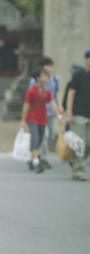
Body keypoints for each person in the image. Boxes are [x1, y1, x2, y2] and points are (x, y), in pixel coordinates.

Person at [21, 67, 63, 173]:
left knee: (40, 139)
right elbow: (26, 105)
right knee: (35, 138)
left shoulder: (46, 91)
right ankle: (36, 162)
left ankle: (31, 158)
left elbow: (52, 104)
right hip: (32, 118)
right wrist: (23, 120)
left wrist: (58, 116)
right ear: (38, 78)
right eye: (43, 75)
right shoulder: (31, 91)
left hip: (42, 119)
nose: (46, 77)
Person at [28, 57, 60, 167]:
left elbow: (55, 94)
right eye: (46, 66)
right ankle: (40, 157)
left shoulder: (55, 79)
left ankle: (35, 155)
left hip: (50, 112)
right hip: (39, 112)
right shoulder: (34, 81)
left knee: (49, 135)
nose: (48, 68)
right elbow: (30, 97)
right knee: (43, 136)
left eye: (50, 65)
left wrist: (59, 107)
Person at [63, 51, 90, 181]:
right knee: (80, 143)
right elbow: (71, 94)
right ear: (87, 60)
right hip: (79, 113)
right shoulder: (78, 76)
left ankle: (75, 162)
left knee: (88, 144)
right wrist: (69, 114)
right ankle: (79, 172)